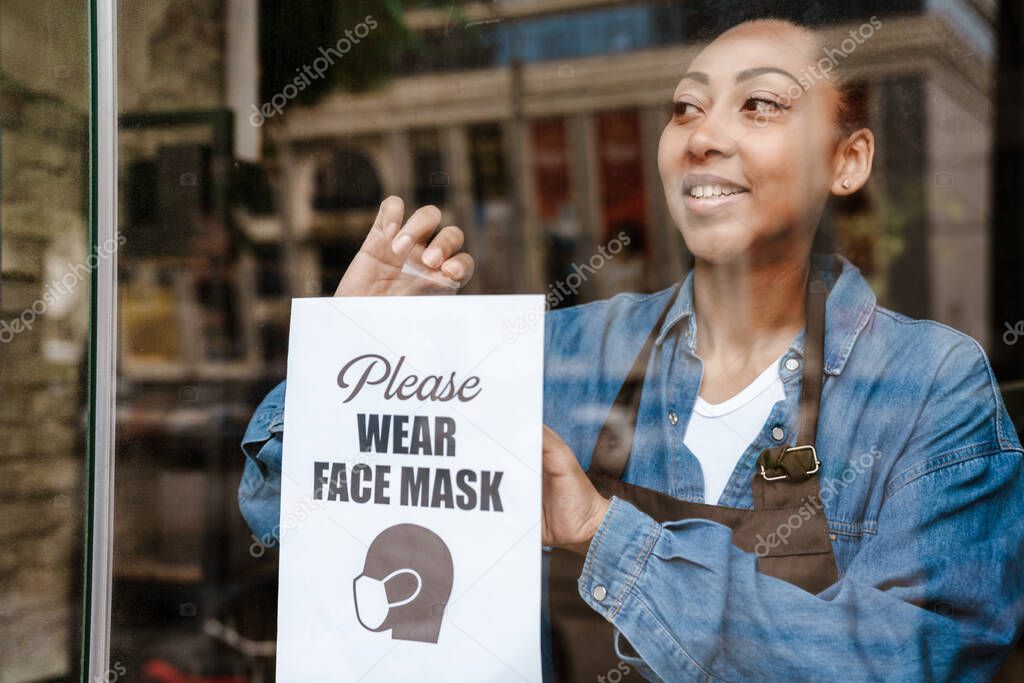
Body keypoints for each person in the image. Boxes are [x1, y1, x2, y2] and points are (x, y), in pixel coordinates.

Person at [237, 17, 1024, 681]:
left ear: (846, 161)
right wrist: (353, 364)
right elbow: (285, 513)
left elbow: (912, 659)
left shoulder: (932, 388)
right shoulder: (564, 353)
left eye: (759, 105)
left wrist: (607, 535)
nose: (703, 135)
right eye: (684, 108)